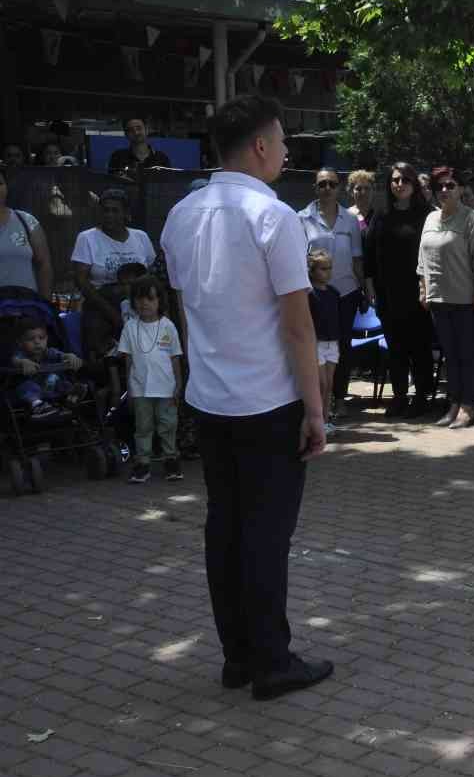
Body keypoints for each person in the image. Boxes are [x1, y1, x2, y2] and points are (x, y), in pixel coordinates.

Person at [161, 93, 332, 701]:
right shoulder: (274, 216)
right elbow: (297, 325)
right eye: (283, 141)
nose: (287, 151)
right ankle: (271, 661)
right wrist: (315, 410)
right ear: (260, 146)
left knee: (225, 528)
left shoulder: (181, 214)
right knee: (264, 534)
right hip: (267, 402)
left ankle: (238, 656)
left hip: (210, 400)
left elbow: (189, 309)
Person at [418, 166, 474, 429]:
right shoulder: (430, 219)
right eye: (441, 187)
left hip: (466, 299)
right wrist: (423, 288)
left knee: (468, 354)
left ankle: (468, 406)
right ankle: (454, 403)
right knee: (450, 354)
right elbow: (423, 259)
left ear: (460, 189)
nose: (445, 190)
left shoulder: (473, 219)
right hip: (439, 299)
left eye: (451, 185)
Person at [364, 163, 436, 417]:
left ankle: (422, 397)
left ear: (414, 184)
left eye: (405, 179)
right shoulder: (381, 215)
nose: (399, 184)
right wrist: (370, 286)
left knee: (419, 346)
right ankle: (399, 396)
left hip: (419, 293)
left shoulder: (427, 214)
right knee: (396, 348)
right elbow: (369, 253)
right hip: (387, 293)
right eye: (395, 180)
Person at [299, 169, 366, 413]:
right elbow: (298, 260)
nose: (327, 188)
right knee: (314, 348)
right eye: (322, 184)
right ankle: (317, 404)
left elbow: (357, 259)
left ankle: (339, 400)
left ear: (338, 188)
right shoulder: (302, 218)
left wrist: (366, 291)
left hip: (346, 293)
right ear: (315, 188)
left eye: (332, 184)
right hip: (314, 296)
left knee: (343, 348)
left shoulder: (350, 219)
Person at [70, 189, 156, 359]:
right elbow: (81, 280)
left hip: (139, 303)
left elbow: (150, 274)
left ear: (126, 213)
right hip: (100, 303)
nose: (109, 215)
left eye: (115, 210)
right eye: (105, 210)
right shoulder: (87, 238)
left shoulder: (141, 237)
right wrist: (112, 313)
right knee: (104, 355)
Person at [115, 275, 185, 483]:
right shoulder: (129, 327)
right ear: (133, 301)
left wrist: (178, 385)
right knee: (143, 427)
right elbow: (127, 360)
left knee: (168, 425)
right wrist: (129, 388)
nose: (145, 303)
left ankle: (171, 460)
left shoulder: (168, 326)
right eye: (140, 298)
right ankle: (142, 463)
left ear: (159, 302)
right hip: (141, 389)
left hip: (166, 387)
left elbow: (175, 358)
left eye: (150, 298)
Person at [9, 314, 85, 420]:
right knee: (27, 386)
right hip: (30, 393)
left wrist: (70, 357)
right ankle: (38, 406)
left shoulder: (49, 352)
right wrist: (23, 362)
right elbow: (15, 360)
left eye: (41, 338)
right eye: (31, 339)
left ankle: (71, 396)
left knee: (58, 379)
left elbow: (62, 355)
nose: (37, 342)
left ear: (47, 339)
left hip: (49, 387)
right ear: (20, 343)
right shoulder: (21, 355)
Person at [0, 166, 52, 295]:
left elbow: (44, 265)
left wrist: (45, 305)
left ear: (6, 187)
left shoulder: (27, 221)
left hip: (26, 307)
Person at [307, 249, 342, 435]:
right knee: (319, 384)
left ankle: (325, 421)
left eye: (330, 268)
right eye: (323, 269)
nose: (327, 272)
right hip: (316, 344)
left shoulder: (334, 293)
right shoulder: (308, 294)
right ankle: (315, 421)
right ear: (312, 270)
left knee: (328, 384)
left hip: (332, 344)